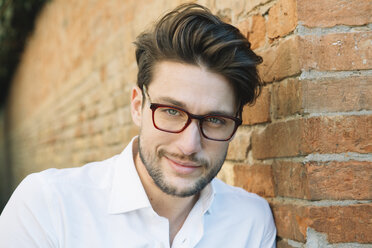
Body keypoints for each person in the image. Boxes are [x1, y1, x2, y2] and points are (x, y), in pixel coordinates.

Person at [0, 3, 276, 247]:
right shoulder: (48, 208)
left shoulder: (252, 222)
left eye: (215, 120)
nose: (189, 145)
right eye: (171, 111)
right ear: (137, 106)